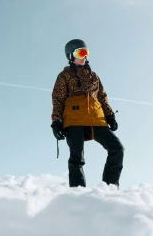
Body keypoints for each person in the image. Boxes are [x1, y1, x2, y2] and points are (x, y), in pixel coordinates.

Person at [51, 39, 124, 188]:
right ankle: (78, 193)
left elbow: (102, 97)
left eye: (86, 53)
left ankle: (109, 187)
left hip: (96, 119)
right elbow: (58, 99)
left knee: (117, 149)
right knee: (76, 158)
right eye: (80, 52)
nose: (84, 56)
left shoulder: (93, 76)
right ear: (71, 56)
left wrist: (109, 115)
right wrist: (56, 122)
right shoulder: (64, 76)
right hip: (74, 119)